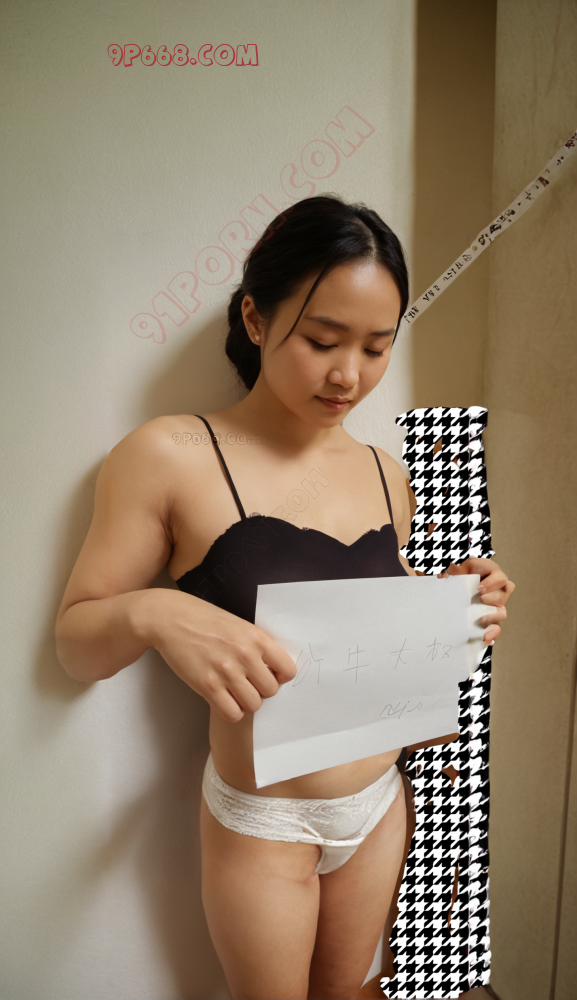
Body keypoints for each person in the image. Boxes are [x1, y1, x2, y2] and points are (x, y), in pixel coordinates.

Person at [55, 195, 514, 1000]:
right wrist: (157, 611)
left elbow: (357, 621)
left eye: (376, 347)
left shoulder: (388, 472)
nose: (348, 376)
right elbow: (75, 646)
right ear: (255, 319)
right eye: (321, 341)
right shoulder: (168, 454)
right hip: (264, 820)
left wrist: (449, 605)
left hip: (380, 803)